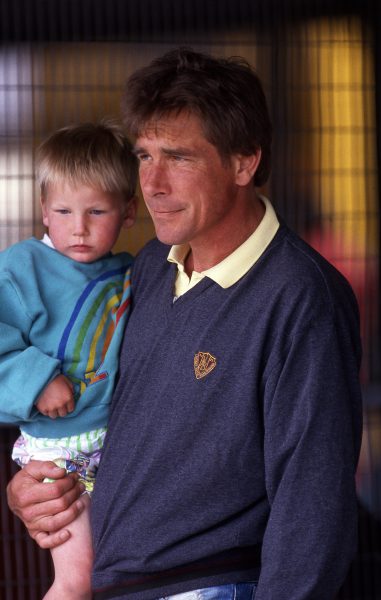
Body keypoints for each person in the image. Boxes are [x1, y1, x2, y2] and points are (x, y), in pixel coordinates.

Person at [7, 48, 362, 600]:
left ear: (244, 163)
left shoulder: (299, 296)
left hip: (211, 585)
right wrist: (37, 488)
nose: (152, 182)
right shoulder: (146, 269)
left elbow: (312, 503)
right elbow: (108, 422)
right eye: (145, 156)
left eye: (178, 157)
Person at [1, 119, 137, 599]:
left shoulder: (130, 273)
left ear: (129, 211)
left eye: (97, 211)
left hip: (120, 446)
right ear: (43, 210)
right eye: (63, 211)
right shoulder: (21, 268)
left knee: (116, 577)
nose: (78, 228)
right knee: (77, 580)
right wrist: (36, 379)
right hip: (60, 451)